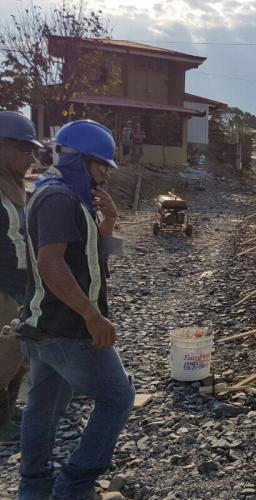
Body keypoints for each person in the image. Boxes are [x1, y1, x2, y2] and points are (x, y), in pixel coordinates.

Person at [16, 119, 134, 500]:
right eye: (101, 167)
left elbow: (90, 259)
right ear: (79, 160)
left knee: (44, 406)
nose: (104, 177)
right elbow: (52, 264)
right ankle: (75, 485)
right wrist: (91, 315)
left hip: (45, 325)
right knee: (118, 397)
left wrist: (110, 222)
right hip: (68, 327)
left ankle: (34, 488)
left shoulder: (63, 195)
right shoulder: (59, 199)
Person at [0, 112, 41, 442]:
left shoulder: (17, 188)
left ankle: (9, 412)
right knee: (5, 354)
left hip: (22, 285)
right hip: (2, 287)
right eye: (23, 151)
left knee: (21, 354)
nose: (31, 158)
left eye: (32, 151)